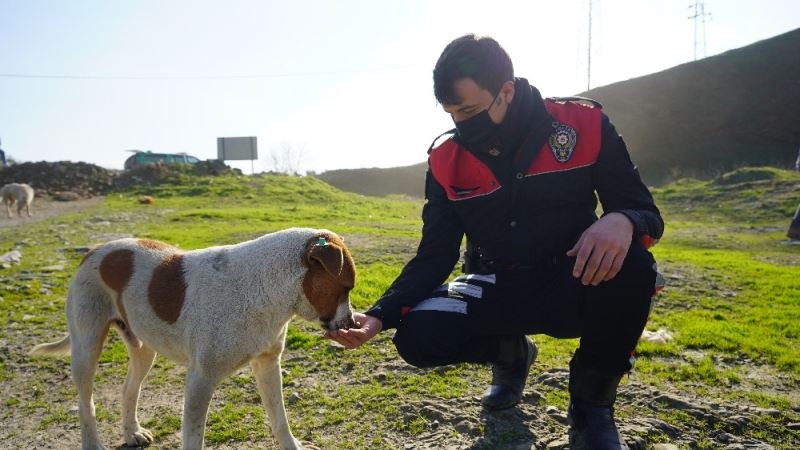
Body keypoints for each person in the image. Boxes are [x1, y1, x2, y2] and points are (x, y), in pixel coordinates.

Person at [326, 34, 664, 450]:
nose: (460, 124)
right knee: (415, 333)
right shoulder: (445, 160)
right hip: (497, 285)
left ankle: (591, 409)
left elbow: (645, 211)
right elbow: (435, 253)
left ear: (506, 90)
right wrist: (380, 315)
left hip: (575, 279)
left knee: (634, 265)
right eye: (451, 113)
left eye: (468, 109)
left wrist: (622, 219)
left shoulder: (583, 124)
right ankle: (512, 356)